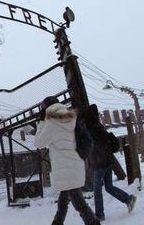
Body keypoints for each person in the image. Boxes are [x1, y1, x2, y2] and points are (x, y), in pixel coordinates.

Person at [34, 96, 100, 225]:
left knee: (79, 204)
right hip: (75, 164)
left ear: (46, 108)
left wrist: (41, 122)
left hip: (65, 168)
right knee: (63, 201)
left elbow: (39, 143)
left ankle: (93, 223)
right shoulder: (71, 118)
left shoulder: (52, 122)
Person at [85, 104, 137, 221]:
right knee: (108, 186)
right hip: (106, 160)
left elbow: (96, 144)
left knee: (97, 187)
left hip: (100, 161)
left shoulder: (92, 126)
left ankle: (99, 214)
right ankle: (128, 199)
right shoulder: (97, 125)